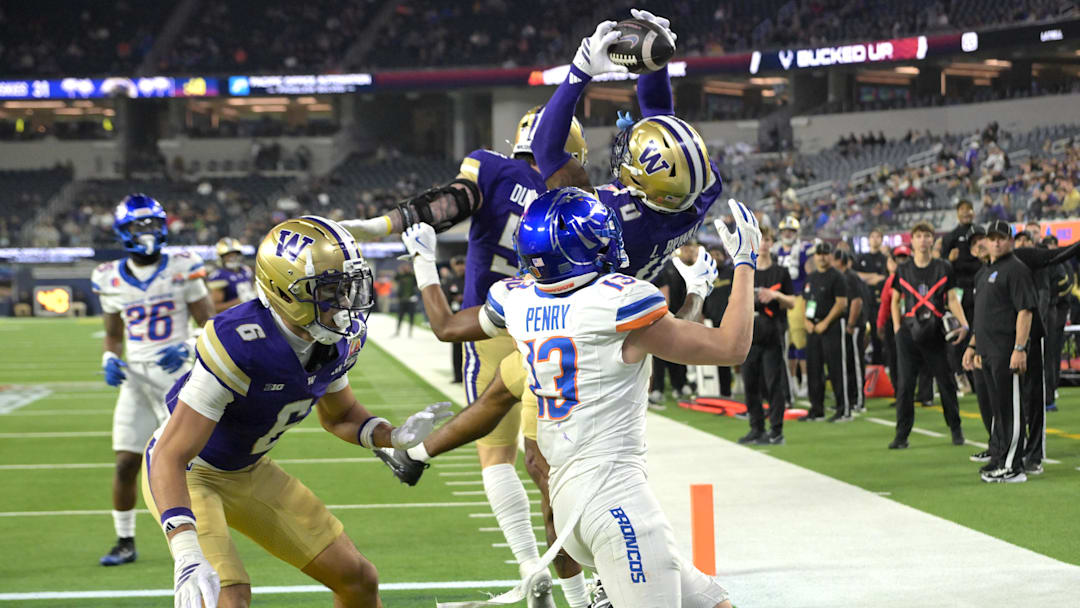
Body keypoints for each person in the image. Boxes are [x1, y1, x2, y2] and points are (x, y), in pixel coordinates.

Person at [380, 188, 757, 607]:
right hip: (616, 501)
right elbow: (731, 347)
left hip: (567, 498)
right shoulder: (617, 301)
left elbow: (447, 326)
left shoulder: (519, 299)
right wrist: (744, 264)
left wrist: (422, 262)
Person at [346, 101, 589, 605]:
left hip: (491, 322)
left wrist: (390, 225)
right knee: (551, 462)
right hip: (556, 329)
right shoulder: (576, 198)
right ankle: (584, 586)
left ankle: (529, 563)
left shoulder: (493, 169)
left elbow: (449, 203)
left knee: (495, 454)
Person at [141, 215, 453, 607]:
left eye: (347, 287)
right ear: (284, 291)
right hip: (192, 473)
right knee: (227, 595)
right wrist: (186, 551)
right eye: (330, 290)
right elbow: (171, 454)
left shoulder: (336, 340)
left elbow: (341, 416)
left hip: (249, 469)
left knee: (357, 578)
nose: (345, 302)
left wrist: (392, 436)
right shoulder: (239, 342)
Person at [90, 194, 215, 567]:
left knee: (186, 464)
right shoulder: (108, 277)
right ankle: (125, 540)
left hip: (178, 378)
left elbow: (209, 326)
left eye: (152, 224)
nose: (148, 232)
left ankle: (199, 541)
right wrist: (110, 357)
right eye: (139, 225)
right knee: (126, 462)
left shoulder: (183, 264)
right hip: (136, 379)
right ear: (123, 232)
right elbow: (113, 333)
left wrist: (188, 346)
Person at [963, 220, 1037, 483]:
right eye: (992, 237)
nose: (995, 242)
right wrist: (973, 346)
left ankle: (1013, 467)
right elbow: (982, 316)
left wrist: (1020, 348)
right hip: (987, 350)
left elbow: (1025, 311)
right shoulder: (984, 273)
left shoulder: (1016, 270)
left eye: (1001, 238)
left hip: (1007, 350)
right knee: (999, 409)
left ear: (1011, 241)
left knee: (1012, 409)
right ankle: (999, 457)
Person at [889, 221, 969, 449]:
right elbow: (895, 301)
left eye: (927, 236)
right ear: (912, 241)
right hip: (908, 334)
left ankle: (956, 429)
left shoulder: (944, 267)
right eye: (919, 236)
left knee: (946, 382)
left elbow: (952, 299)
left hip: (935, 332)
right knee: (905, 386)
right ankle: (901, 435)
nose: (923, 240)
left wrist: (963, 324)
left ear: (932, 240)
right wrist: (896, 328)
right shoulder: (903, 270)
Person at [739, 226, 794, 444]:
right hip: (749, 335)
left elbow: (792, 302)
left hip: (773, 334)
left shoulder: (781, 272)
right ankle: (757, 428)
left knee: (774, 384)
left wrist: (775, 295)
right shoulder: (746, 271)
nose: (763, 244)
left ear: (772, 243)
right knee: (750, 383)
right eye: (759, 240)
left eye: (767, 240)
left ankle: (776, 430)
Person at [800, 242, 849, 422]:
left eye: (825, 253)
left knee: (836, 369)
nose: (822, 257)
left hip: (832, 327)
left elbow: (841, 302)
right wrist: (806, 320)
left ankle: (843, 409)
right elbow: (807, 301)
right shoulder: (811, 277)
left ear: (831, 256)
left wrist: (826, 322)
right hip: (813, 327)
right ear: (814, 256)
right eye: (819, 254)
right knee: (814, 369)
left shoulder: (837, 277)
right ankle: (816, 409)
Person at [941, 200, 979, 393]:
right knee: (958, 336)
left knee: (978, 331)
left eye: (970, 209)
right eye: (963, 210)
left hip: (979, 289)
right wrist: (949, 260)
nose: (967, 213)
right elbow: (940, 267)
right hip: (958, 294)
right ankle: (959, 374)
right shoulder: (950, 238)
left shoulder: (980, 232)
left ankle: (976, 375)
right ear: (957, 213)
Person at [775, 216, 812, 399]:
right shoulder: (775, 250)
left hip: (797, 299)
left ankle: (805, 380)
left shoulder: (803, 250)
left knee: (800, 341)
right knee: (786, 343)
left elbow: (810, 273)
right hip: (779, 300)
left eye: (791, 231)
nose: (788, 234)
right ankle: (791, 381)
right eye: (785, 231)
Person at [833, 250, 869, 414]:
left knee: (855, 362)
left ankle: (860, 400)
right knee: (847, 363)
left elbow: (857, 301)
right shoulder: (843, 276)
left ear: (840, 261)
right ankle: (850, 398)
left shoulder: (850, 276)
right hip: (846, 325)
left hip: (854, 325)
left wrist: (851, 323)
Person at [855, 227, 888, 365]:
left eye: (878, 236)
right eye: (872, 236)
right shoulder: (861, 258)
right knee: (863, 333)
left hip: (879, 301)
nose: (875, 239)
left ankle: (880, 363)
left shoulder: (885, 259)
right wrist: (873, 276)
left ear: (881, 239)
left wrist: (868, 278)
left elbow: (884, 278)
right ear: (868, 240)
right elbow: (857, 276)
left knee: (878, 333)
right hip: (864, 300)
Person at [206, 237, 255, 313]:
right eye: (228, 255)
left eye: (235, 254)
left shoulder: (246, 270)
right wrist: (239, 301)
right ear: (221, 258)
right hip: (232, 318)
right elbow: (215, 308)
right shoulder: (219, 276)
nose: (233, 258)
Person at [445, 255, 467, 383]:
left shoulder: (470, 279)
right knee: (456, 349)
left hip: (467, 316)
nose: (460, 268)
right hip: (455, 317)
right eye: (458, 265)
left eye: (462, 264)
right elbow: (445, 298)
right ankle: (457, 376)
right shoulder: (450, 280)